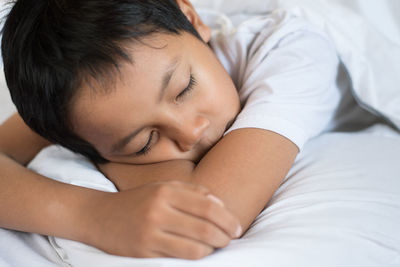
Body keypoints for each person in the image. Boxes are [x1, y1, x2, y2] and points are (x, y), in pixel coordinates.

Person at [0, 0, 344, 260]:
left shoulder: (291, 52)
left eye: (185, 88)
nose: (191, 132)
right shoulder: (85, 107)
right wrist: (92, 214)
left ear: (192, 19)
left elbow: (214, 213)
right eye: (144, 142)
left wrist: (124, 165)